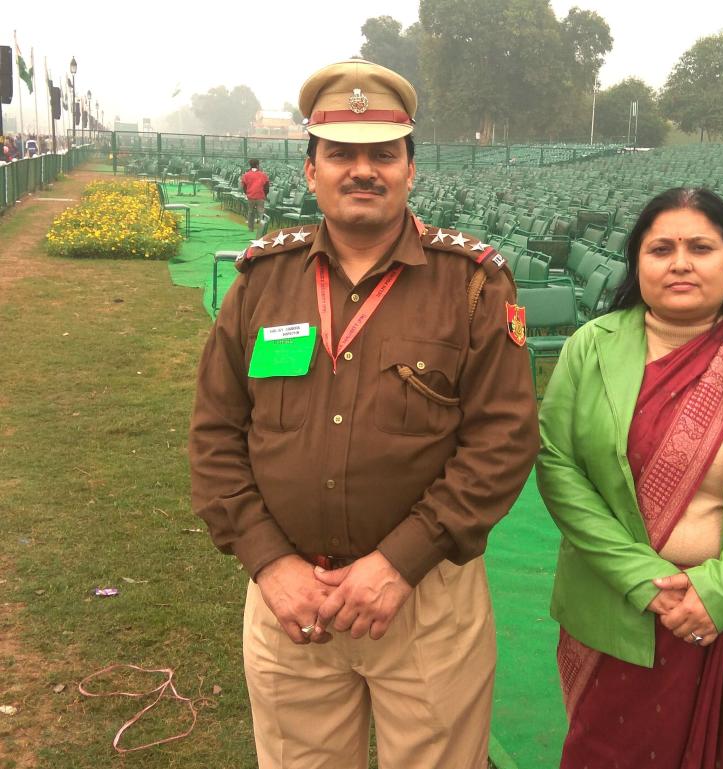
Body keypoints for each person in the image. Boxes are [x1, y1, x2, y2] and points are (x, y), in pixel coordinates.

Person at [189, 58, 539, 769]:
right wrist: (268, 562)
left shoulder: (471, 281)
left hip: (425, 598)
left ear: (412, 170)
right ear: (310, 169)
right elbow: (216, 435)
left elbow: (502, 439)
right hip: (290, 601)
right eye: (341, 153)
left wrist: (398, 562)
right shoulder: (261, 281)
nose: (363, 170)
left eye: (384, 153)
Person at [538, 187, 723, 768]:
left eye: (700, 247)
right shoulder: (590, 348)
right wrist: (644, 579)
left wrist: (718, 590)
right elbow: (558, 466)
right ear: (637, 264)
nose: (680, 262)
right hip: (618, 605)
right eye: (661, 249)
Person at [241, 158, 270, 232]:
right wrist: (264, 195)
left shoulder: (246, 175)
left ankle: (250, 228)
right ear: (257, 165)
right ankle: (262, 229)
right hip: (260, 196)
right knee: (261, 213)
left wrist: (247, 193)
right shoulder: (263, 175)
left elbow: (244, 186)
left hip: (250, 197)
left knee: (250, 212)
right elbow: (267, 187)